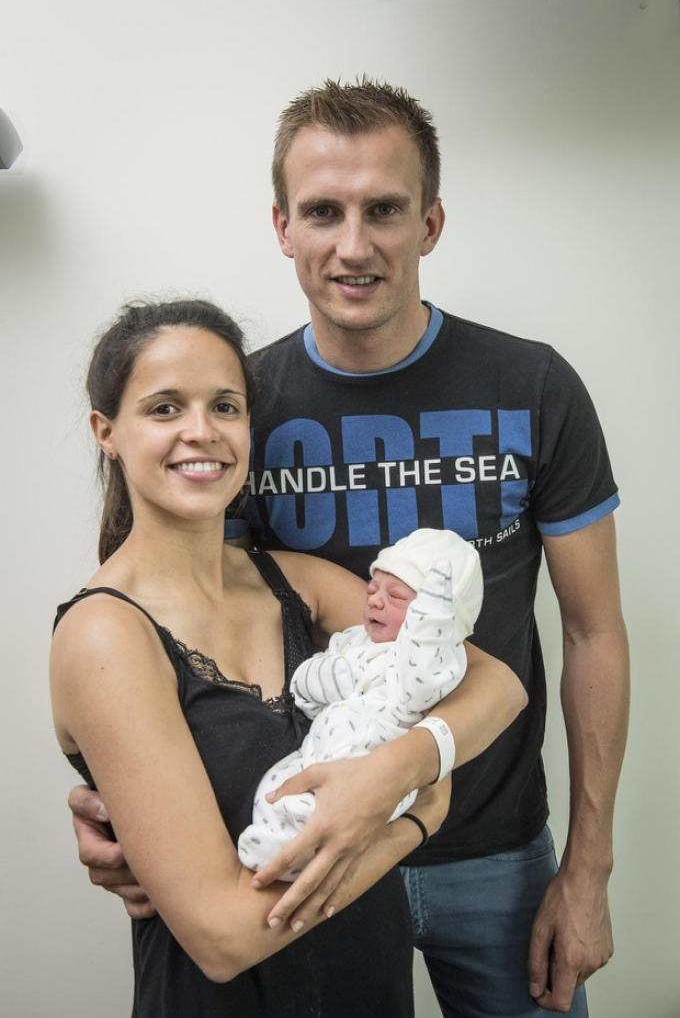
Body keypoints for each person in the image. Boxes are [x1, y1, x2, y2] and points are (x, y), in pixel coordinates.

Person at [70, 79, 629, 1017]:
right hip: (307, 846)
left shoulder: (532, 386)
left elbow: (593, 633)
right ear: (283, 226)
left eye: (385, 210)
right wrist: (111, 796)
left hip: (497, 853)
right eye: (324, 211)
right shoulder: (236, 409)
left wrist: (590, 866)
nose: (354, 244)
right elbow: (174, 622)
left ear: (431, 222)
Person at [52, 299, 527, 1017]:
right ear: (106, 432)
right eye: (164, 408)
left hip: (371, 987)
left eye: (225, 406)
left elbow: (498, 683)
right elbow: (222, 937)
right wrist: (415, 819)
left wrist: (402, 768)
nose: (201, 431)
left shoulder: (296, 583)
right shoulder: (104, 635)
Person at [238, 528, 486, 876]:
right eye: (373, 589)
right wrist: (322, 677)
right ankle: (268, 849)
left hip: (372, 765)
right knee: (275, 788)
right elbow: (309, 688)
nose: (375, 601)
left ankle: (295, 860)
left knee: (328, 815)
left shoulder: (431, 663)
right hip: (318, 749)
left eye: (396, 596)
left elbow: (421, 678)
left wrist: (431, 617)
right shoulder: (355, 640)